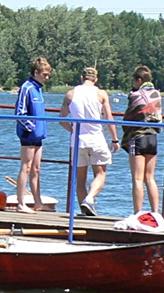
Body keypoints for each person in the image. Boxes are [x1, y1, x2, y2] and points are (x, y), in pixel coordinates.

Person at [58, 67, 120, 217]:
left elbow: (62, 118)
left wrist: (73, 130)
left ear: (81, 77)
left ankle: (84, 210)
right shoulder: (101, 94)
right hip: (96, 138)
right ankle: (90, 198)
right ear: (96, 79)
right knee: (100, 174)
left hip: (78, 140)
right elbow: (109, 119)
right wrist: (115, 139)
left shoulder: (70, 94)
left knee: (80, 180)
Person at [120, 66, 163, 214]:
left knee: (137, 179)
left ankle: (137, 213)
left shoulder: (136, 95)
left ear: (139, 80)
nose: (133, 84)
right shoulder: (157, 93)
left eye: (134, 80)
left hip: (138, 137)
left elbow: (129, 117)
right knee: (150, 178)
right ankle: (155, 212)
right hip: (153, 137)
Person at [14, 57, 51, 213]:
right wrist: (31, 127)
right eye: (44, 74)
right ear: (36, 72)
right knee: (26, 167)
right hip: (28, 135)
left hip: (39, 135)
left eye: (48, 75)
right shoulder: (26, 88)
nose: (46, 78)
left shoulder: (39, 89)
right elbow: (19, 113)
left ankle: (38, 202)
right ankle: (20, 203)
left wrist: (39, 129)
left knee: (36, 169)